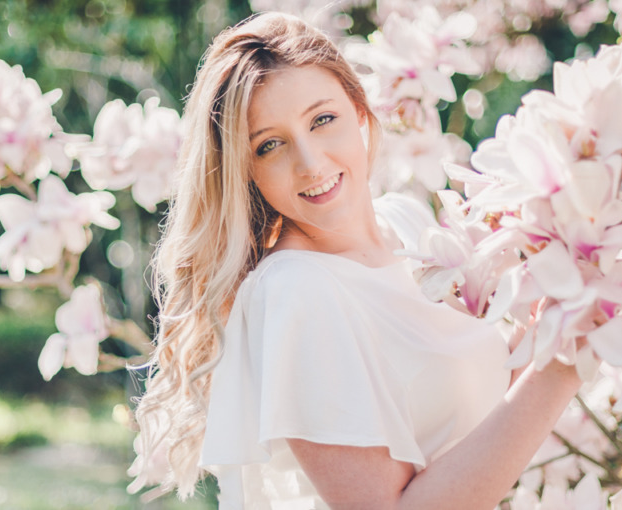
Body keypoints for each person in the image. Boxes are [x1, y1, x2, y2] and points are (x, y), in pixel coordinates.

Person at [130, 11, 584, 509]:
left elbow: (480, 426)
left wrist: (554, 319)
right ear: (246, 172)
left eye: (322, 120)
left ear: (360, 111)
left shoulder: (408, 226)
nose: (311, 162)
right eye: (270, 145)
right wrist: (556, 371)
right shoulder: (296, 291)